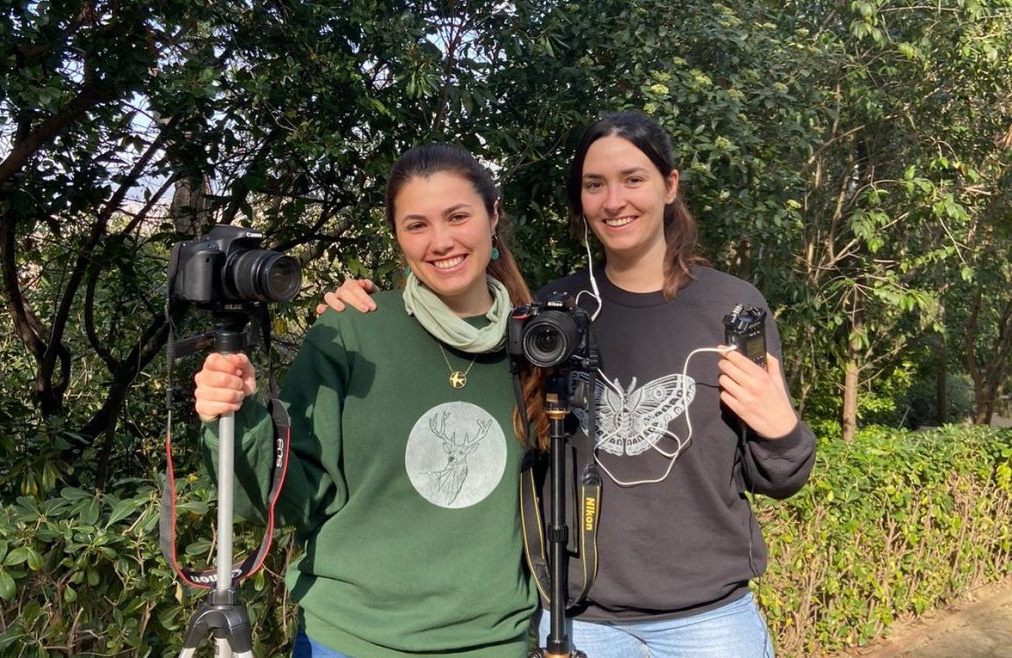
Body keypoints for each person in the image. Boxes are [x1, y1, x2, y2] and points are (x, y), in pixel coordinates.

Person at [321, 110, 816, 657]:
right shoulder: (556, 313)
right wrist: (357, 313)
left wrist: (785, 433)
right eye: (594, 184)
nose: (614, 200)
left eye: (633, 179)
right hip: (581, 621)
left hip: (708, 620)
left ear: (670, 185)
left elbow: (776, 475)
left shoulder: (730, 308)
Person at [193, 143, 542, 658]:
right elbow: (286, 497)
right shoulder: (352, 330)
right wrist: (235, 415)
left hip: (494, 642)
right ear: (398, 238)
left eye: (458, 216)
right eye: (416, 225)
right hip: (351, 640)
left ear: (493, 217)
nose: (441, 241)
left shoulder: (538, 345)